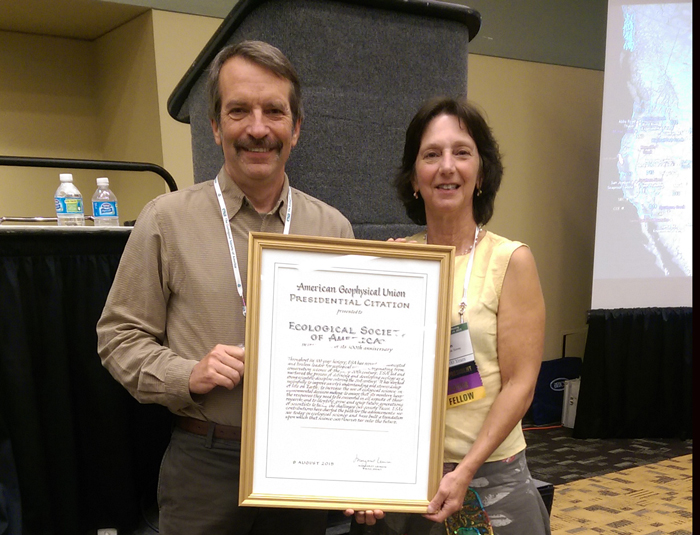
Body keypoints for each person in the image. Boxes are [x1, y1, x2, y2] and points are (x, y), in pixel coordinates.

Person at [97, 40, 354, 535]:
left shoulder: (332, 229)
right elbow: (117, 337)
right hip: (205, 462)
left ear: (296, 128)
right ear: (215, 126)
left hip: (303, 464)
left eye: (274, 111)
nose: (257, 128)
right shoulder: (166, 220)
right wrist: (186, 373)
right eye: (239, 111)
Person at [348, 97, 549, 534]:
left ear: (481, 173)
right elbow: (365, 377)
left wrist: (465, 470)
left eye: (461, 152)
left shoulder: (510, 261)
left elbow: (520, 384)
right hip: (404, 477)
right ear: (414, 178)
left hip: (490, 477)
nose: (447, 167)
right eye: (431, 154)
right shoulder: (393, 262)